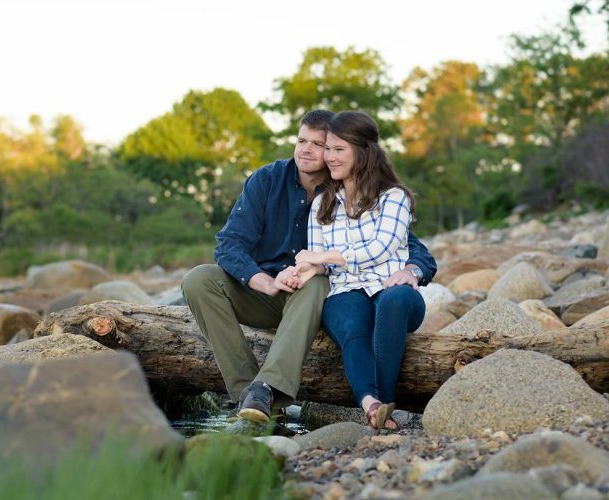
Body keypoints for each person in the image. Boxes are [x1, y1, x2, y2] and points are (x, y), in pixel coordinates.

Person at [182, 109, 436, 425]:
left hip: (313, 295)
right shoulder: (267, 180)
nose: (307, 150)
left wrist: (412, 270)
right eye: (302, 140)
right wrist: (265, 281)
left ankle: (270, 387)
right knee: (198, 279)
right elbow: (229, 244)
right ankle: (248, 395)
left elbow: (406, 244)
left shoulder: (347, 186)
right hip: (270, 291)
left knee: (315, 282)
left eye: (320, 144)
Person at [293, 110, 427, 430]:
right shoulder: (322, 202)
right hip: (344, 289)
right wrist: (303, 271)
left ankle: (385, 398)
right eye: (329, 149)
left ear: (362, 152)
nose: (330, 157)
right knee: (352, 328)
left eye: (339, 149)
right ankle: (372, 404)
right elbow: (321, 265)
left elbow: (380, 248)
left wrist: (323, 256)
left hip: (393, 289)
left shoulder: (394, 198)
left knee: (393, 301)